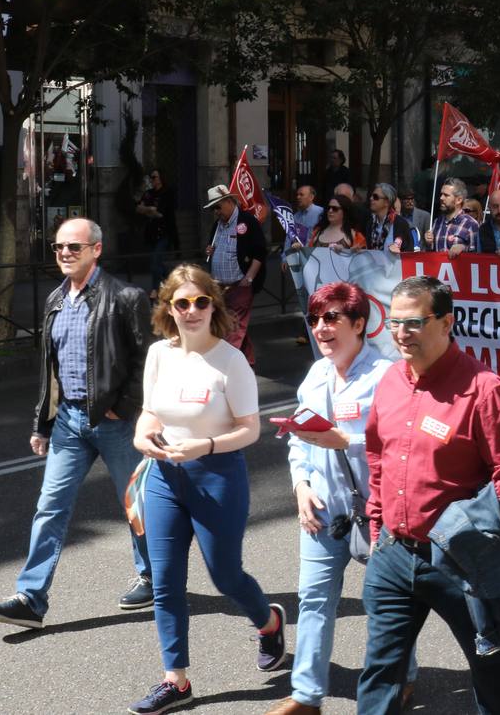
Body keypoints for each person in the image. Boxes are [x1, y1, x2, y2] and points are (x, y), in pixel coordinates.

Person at [359, 276, 500, 714]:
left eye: (414, 323)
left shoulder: (483, 389)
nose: (401, 333)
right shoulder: (390, 382)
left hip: (457, 559)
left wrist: (485, 543)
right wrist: (378, 526)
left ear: (446, 322)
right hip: (393, 553)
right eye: (394, 323)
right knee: (381, 668)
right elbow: (377, 457)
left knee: (486, 657)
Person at [0, 219, 154, 631]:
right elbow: (50, 370)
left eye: (74, 247)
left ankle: (152, 577)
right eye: (58, 248)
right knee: (49, 508)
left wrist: (124, 406)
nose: (64, 254)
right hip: (69, 423)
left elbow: (147, 359)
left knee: (137, 506)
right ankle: (31, 599)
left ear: (97, 249)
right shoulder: (56, 298)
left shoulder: (124, 298)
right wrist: (42, 422)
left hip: (116, 423)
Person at [128, 265, 285, 715]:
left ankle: (269, 621)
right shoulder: (160, 354)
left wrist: (207, 445)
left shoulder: (230, 360)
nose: (192, 310)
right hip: (164, 477)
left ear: (213, 306)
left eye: (201, 302)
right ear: (169, 309)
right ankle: (175, 680)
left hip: (217, 475)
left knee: (225, 575)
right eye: (182, 302)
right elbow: (149, 415)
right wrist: (143, 438)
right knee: (166, 581)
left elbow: (250, 429)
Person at [266, 282, 415, 715]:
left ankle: (402, 678)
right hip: (323, 510)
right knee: (312, 599)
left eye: (332, 318)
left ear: (359, 324)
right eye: (315, 319)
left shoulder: (387, 375)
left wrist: (343, 440)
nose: (321, 328)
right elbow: (298, 439)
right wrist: (300, 487)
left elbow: (401, 440)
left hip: (377, 512)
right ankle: (307, 696)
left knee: (388, 604)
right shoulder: (315, 375)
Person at [203, 184, 267, 367]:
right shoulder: (218, 225)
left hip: (240, 284)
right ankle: (248, 359)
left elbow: (260, 252)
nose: (216, 212)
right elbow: (212, 247)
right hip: (220, 286)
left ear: (229, 201)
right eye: (213, 208)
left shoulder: (247, 221)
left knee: (233, 327)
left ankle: (226, 365)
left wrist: (249, 278)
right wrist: (210, 250)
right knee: (234, 324)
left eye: (218, 206)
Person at [137, 168, 179, 296]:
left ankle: (156, 290)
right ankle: (173, 283)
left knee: (155, 263)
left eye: (154, 177)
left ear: (161, 178)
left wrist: (148, 209)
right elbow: (139, 208)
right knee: (157, 263)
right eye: (151, 177)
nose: (152, 179)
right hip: (151, 233)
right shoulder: (149, 193)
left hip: (164, 232)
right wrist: (149, 210)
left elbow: (159, 212)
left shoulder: (167, 192)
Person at [426, 178, 480, 259]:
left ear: (459, 200)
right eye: (441, 194)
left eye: (446, 195)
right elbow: (431, 256)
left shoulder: (471, 224)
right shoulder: (437, 222)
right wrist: (428, 243)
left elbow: (478, 256)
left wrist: (463, 248)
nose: (441, 198)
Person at [365, 183, 418, 254]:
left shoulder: (400, 224)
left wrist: (399, 253)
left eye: (375, 197)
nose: (371, 198)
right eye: (371, 196)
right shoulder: (370, 223)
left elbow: (409, 252)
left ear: (387, 202)